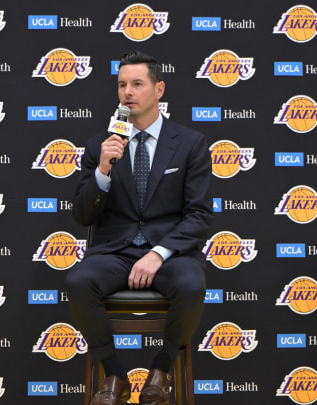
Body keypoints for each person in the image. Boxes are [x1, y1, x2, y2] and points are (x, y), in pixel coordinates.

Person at [65, 50, 213, 405]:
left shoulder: (191, 144)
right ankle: (114, 375)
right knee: (78, 281)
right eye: (121, 85)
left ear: (159, 89)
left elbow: (199, 215)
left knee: (192, 284)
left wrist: (159, 254)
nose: (127, 92)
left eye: (137, 84)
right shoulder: (100, 145)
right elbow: (83, 216)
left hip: (169, 252)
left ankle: (161, 371)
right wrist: (102, 170)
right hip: (115, 250)